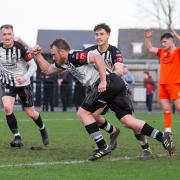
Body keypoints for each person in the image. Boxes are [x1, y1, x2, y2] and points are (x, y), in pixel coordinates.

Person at [33, 39, 174, 161]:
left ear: (62, 51)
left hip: (105, 83)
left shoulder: (74, 55)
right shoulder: (64, 62)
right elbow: (47, 69)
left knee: (83, 114)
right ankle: (163, 137)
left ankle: (103, 147)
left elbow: (98, 59)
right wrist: (37, 55)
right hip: (115, 83)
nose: (52, 57)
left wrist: (103, 81)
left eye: (53, 54)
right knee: (127, 121)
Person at [85, 23, 151, 158]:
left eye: (101, 34)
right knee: (90, 115)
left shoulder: (115, 51)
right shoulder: (90, 51)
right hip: (100, 91)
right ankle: (113, 131)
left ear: (108, 35)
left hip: (116, 90)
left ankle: (145, 148)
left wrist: (108, 76)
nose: (99, 37)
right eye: (96, 34)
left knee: (130, 122)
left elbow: (119, 71)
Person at [0, 24, 49, 147]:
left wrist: (25, 77)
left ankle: (42, 128)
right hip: (8, 82)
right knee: (7, 107)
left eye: (9, 34)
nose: (7, 37)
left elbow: (34, 66)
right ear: (1, 36)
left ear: (13, 35)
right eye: (4, 34)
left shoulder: (21, 48)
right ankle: (17, 137)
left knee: (31, 113)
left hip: (23, 84)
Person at [145, 30, 180, 135]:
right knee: (165, 108)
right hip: (163, 84)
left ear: (171, 41)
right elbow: (150, 48)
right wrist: (147, 38)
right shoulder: (162, 52)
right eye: (162, 42)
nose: (163, 44)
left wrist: (176, 35)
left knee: (179, 107)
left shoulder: (177, 51)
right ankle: (168, 130)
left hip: (175, 84)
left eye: (165, 42)